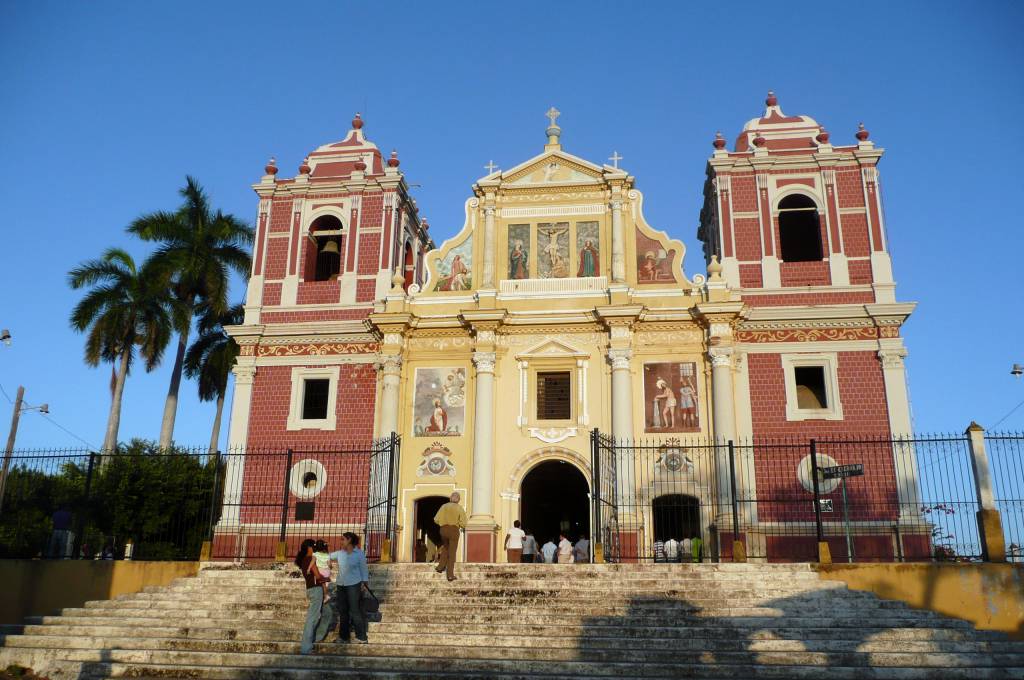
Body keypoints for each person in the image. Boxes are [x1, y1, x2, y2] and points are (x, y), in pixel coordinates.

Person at [329, 532, 370, 644]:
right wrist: (328, 561)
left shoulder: (359, 554)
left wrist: (365, 583)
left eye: (343, 539)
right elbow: (326, 556)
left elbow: (364, 569)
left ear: (350, 540)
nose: (341, 542)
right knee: (343, 611)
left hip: (354, 585)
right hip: (341, 585)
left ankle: (362, 637)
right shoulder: (340, 554)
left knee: (355, 610)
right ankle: (343, 637)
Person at [296, 539, 336, 654]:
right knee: (312, 618)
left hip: (315, 589)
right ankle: (306, 647)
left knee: (328, 613)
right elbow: (317, 574)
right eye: (313, 545)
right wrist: (326, 579)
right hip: (316, 589)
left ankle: (315, 638)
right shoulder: (309, 559)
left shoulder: (308, 559)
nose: (315, 547)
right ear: (309, 548)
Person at [433, 492, 467, 581]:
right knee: (452, 552)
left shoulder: (443, 506)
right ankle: (450, 575)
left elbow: (436, 519)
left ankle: (440, 567)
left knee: (445, 547)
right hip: (453, 530)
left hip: (443, 530)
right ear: (458, 499)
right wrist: (458, 524)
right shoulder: (459, 508)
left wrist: (442, 523)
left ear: (450, 498)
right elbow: (464, 523)